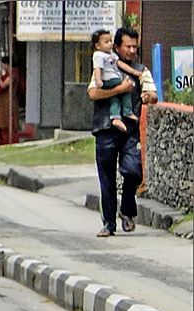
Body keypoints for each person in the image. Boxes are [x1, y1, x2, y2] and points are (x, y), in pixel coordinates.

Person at [87, 27, 157, 237]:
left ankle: (127, 210)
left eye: (135, 46)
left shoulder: (141, 70)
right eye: (128, 46)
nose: (132, 50)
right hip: (105, 129)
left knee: (133, 172)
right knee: (106, 179)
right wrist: (119, 90)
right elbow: (93, 93)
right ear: (116, 47)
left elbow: (152, 94)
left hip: (130, 132)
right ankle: (109, 223)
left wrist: (149, 98)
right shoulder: (104, 63)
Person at [91, 29, 143, 134]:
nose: (110, 44)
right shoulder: (98, 55)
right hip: (108, 80)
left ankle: (116, 118)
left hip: (115, 79)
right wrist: (98, 81)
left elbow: (120, 64)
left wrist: (134, 72)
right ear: (97, 45)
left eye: (110, 41)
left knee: (115, 98)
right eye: (106, 42)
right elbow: (97, 69)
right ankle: (127, 112)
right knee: (125, 91)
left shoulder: (111, 55)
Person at [0, 56, 25, 146]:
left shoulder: (13, 74)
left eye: (3, 64)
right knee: (1, 121)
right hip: (2, 102)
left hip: (9, 102)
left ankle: (10, 140)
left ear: (7, 64)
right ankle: (3, 140)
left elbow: (4, 85)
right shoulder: (8, 74)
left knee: (8, 122)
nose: (3, 67)